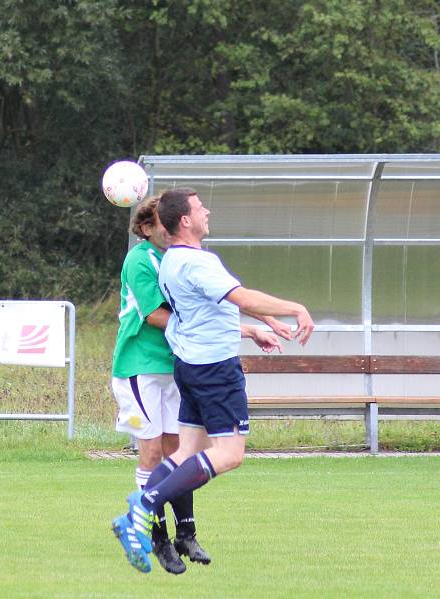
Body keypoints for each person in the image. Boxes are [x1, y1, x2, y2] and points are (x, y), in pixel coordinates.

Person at [111, 187, 315, 574]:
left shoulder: (173, 260)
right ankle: (144, 506)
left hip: (190, 367)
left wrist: (259, 324)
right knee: (229, 454)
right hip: (213, 370)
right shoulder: (190, 263)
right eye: (201, 208)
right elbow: (243, 297)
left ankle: (168, 523)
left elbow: (216, 306)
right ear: (185, 220)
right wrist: (294, 308)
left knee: (185, 452)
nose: (208, 212)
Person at [110, 196, 207, 574]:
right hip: (139, 367)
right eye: (159, 225)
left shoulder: (177, 258)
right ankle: (157, 537)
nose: (167, 230)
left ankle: (186, 532)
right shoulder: (140, 259)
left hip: (172, 366)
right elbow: (153, 315)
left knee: (177, 452)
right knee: (151, 453)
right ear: (146, 228)